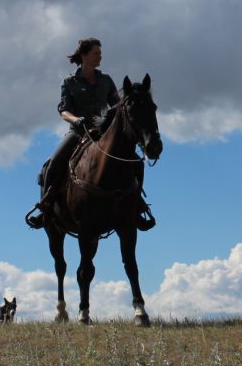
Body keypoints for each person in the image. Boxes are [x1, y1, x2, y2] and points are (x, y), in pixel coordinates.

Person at [26, 38, 154, 230]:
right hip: (77, 132)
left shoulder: (106, 80)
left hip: (103, 133)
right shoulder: (70, 81)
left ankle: (137, 207)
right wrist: (76, 120)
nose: (100, 56)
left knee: (136, 164)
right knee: (53, 165)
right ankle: (46, 208)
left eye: (100, 53)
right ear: (85, 55)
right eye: (96, 53)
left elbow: (118, 107)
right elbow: (64, 110)